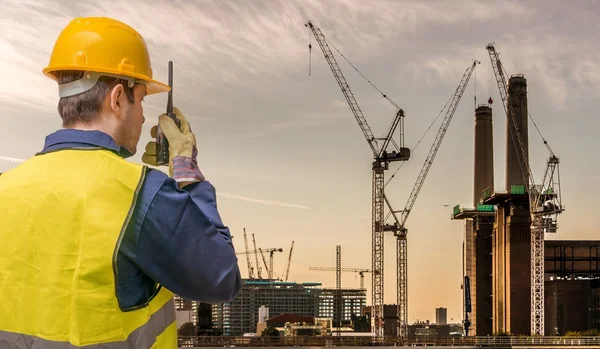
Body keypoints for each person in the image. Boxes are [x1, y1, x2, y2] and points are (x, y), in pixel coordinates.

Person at [0, 16, 241, 348]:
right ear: (116, 98)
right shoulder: (141, 193)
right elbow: (221, 278)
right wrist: (186, 171)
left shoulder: (5, 188)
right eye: (141, 99)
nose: (143, 116)